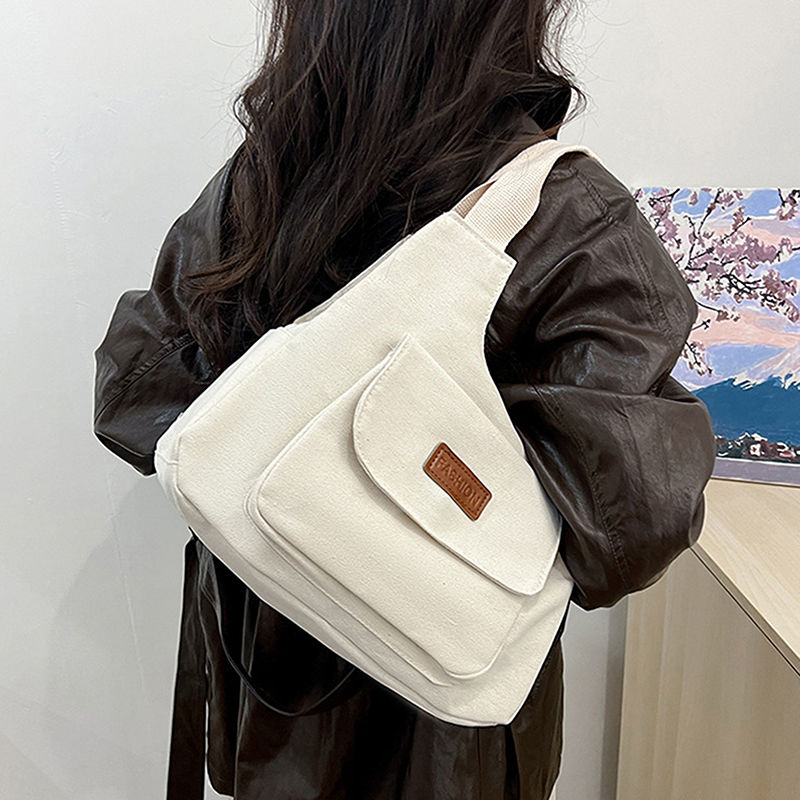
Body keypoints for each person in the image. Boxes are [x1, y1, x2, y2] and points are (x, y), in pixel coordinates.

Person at [93, 1, 717, 798]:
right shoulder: (566, 214)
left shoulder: (273, 170)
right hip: (446, 723)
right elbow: (627, 532)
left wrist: (288, 420)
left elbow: (134, 392)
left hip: (267, 677)